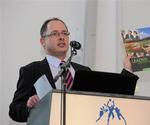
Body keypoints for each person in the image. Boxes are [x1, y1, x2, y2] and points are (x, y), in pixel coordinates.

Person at [9, 17, 139, 122]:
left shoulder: (84, 71)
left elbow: (109, 97)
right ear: (42, 41)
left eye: (64, 33)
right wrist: (28, 105)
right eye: (55, 34)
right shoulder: (31, 70)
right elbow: (14, 110)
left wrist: (127, 70)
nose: (61, 37)